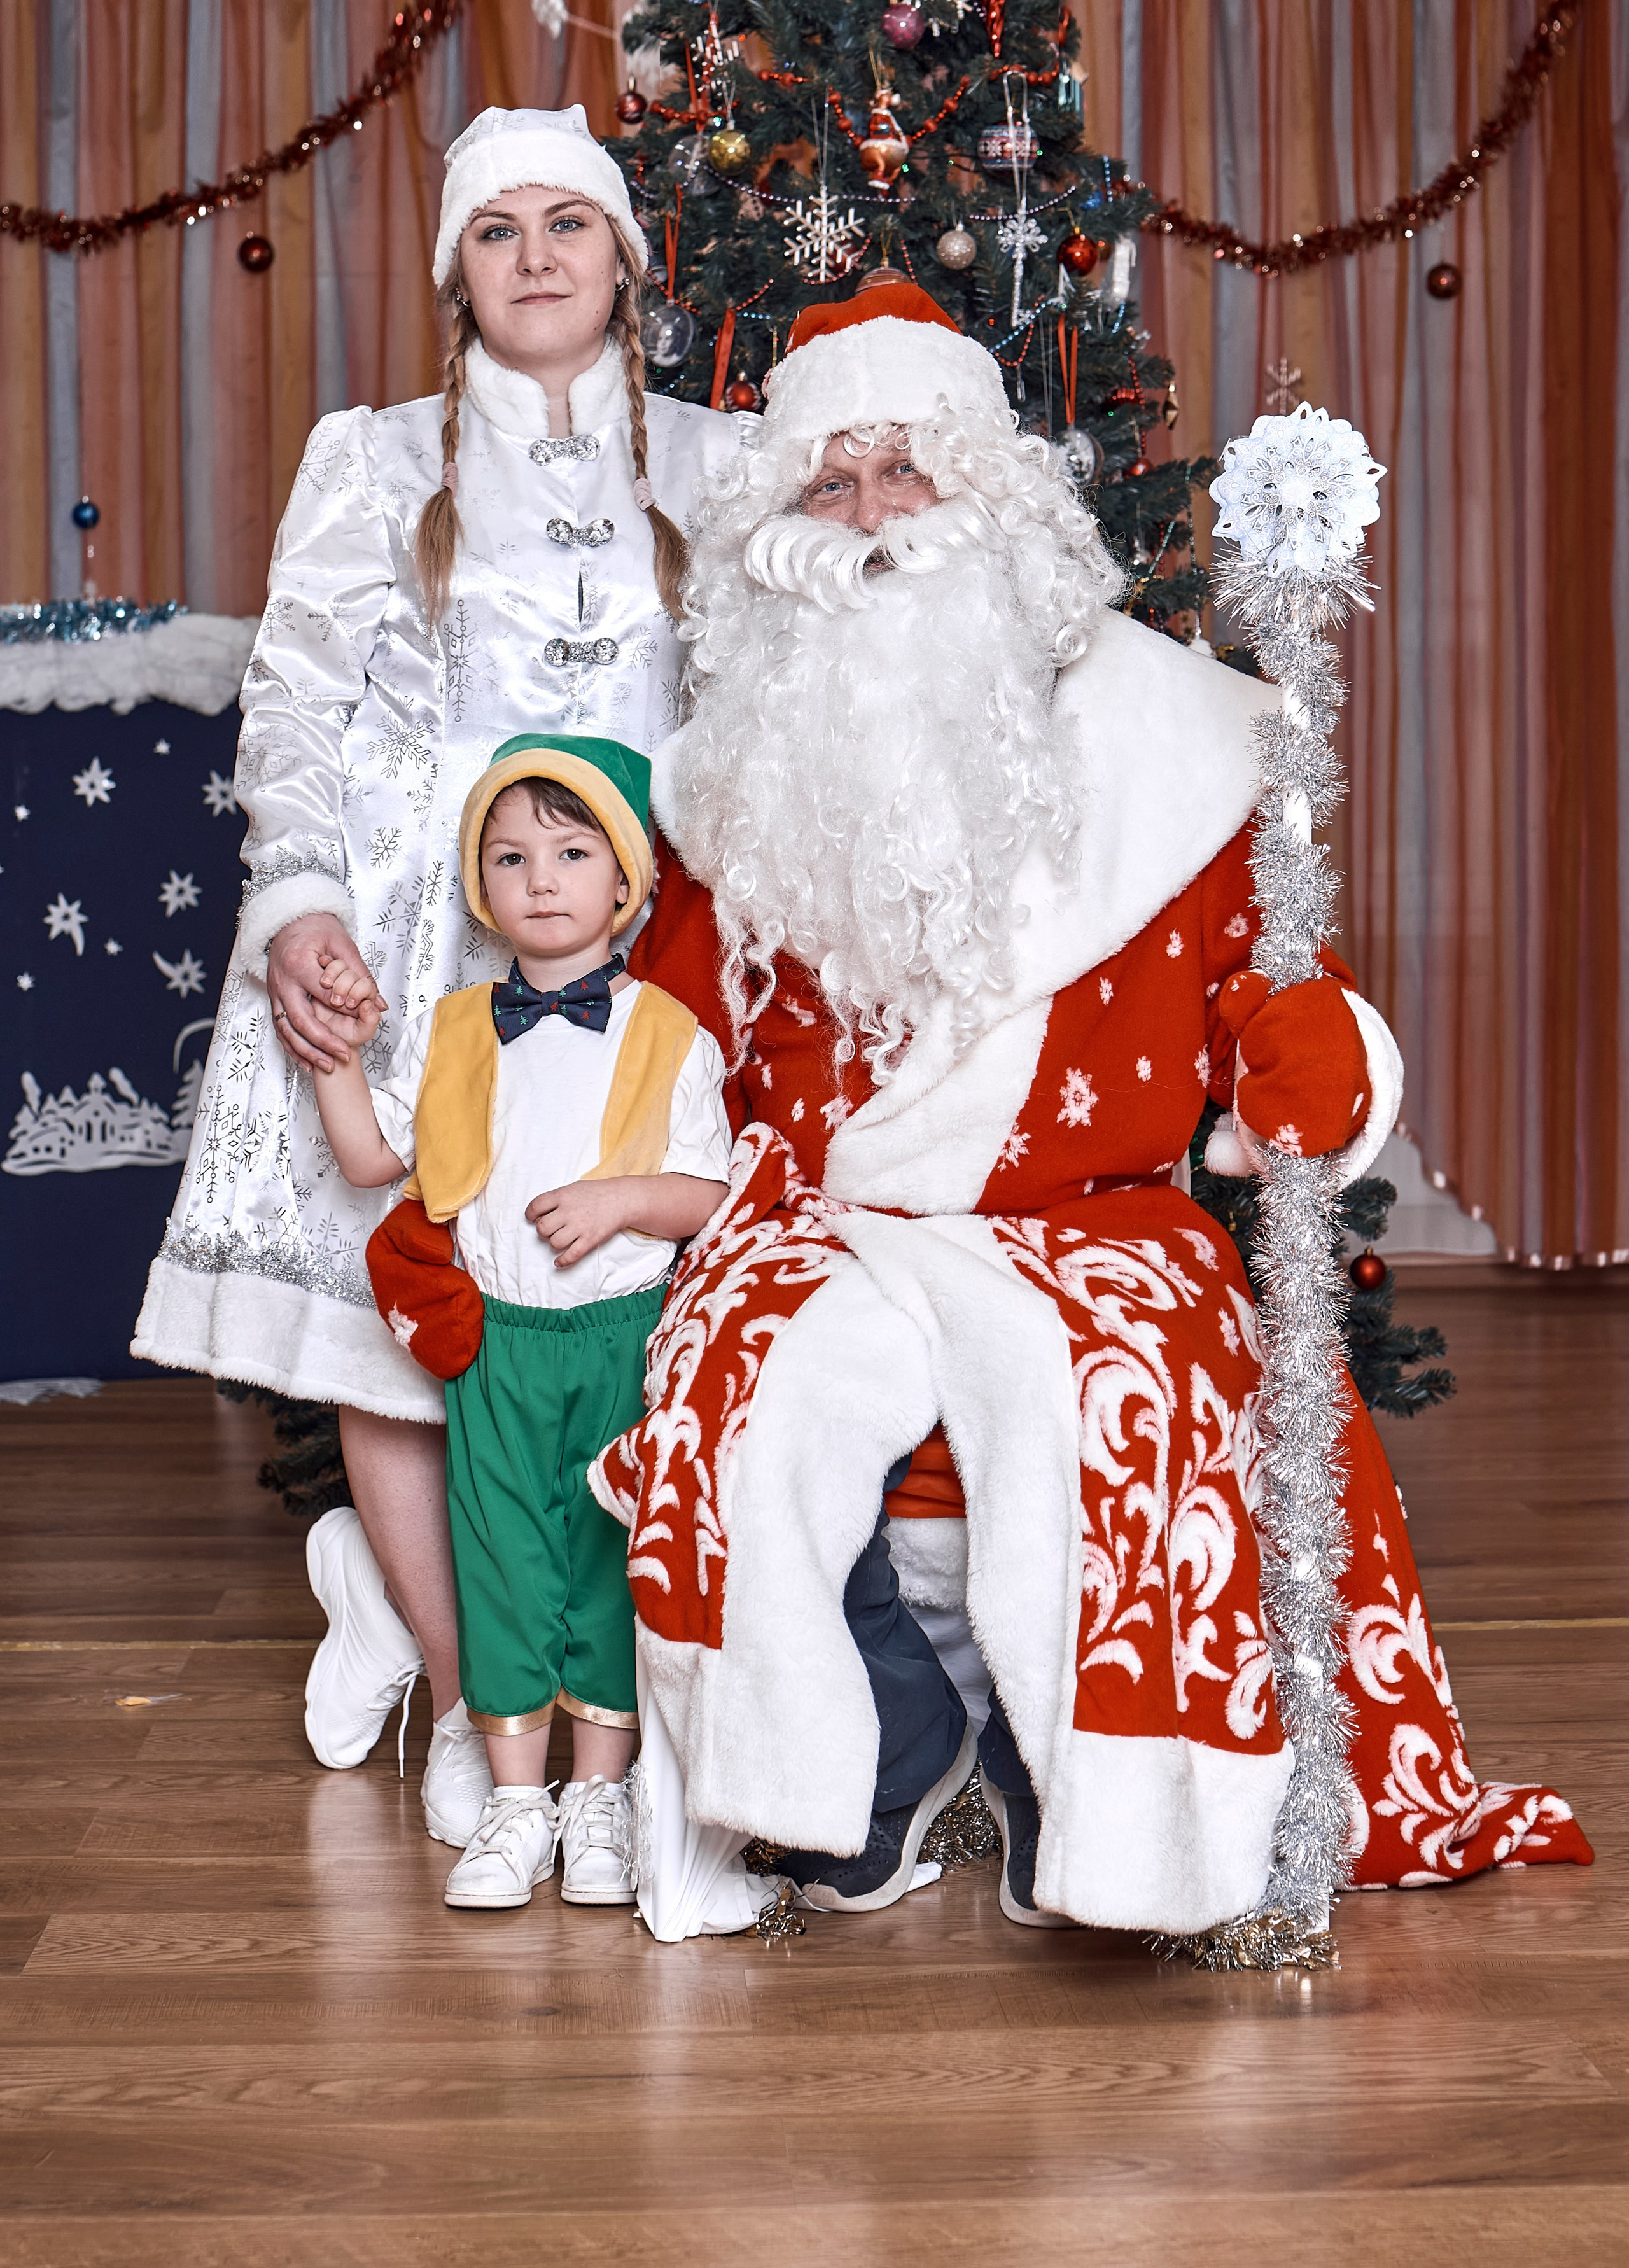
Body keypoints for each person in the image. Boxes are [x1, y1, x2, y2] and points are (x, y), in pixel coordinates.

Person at [590, 283, 1590, 1935]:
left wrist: (1308, 1057)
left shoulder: (1176, 744)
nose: (869, 525)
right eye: (828, 489)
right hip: (819, 1216)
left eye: (903, 475)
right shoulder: (733, 777)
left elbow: (1270, 996)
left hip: (1095, 1222)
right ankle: (876, 1769)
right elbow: (664, 1042)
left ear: (990, 498)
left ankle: (1108, 1810)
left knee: (1120, 1383)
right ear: (781, 530)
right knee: (744, 1374)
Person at [132, 108, 748, 1849]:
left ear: (626, 257)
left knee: (627, 1330)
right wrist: (302, 899)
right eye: (499, 231)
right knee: (417, 1328)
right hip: (422, 925)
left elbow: (773, 714)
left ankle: (621, 1695)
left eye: (573, 224)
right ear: (453, 271)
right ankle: (486, 1695)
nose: (539, 256)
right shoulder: (371, 456)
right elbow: (298, 709)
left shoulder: (721, 463)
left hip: (650, 931)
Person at [307, 733, 731, 1908]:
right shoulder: (452, 1030)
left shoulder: (670, 1034)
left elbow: (713, 1194)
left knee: (604, 1561)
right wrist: (337, 1058)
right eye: (509, 855)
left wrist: (625, 1200)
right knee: (499, 1558)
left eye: (570, 849)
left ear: (627, 880)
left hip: (621, 1338)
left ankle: (600, 1797)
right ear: (480, 887)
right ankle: (514, 1803)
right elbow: (369, 1156)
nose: (540, 877)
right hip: (494, 1343)